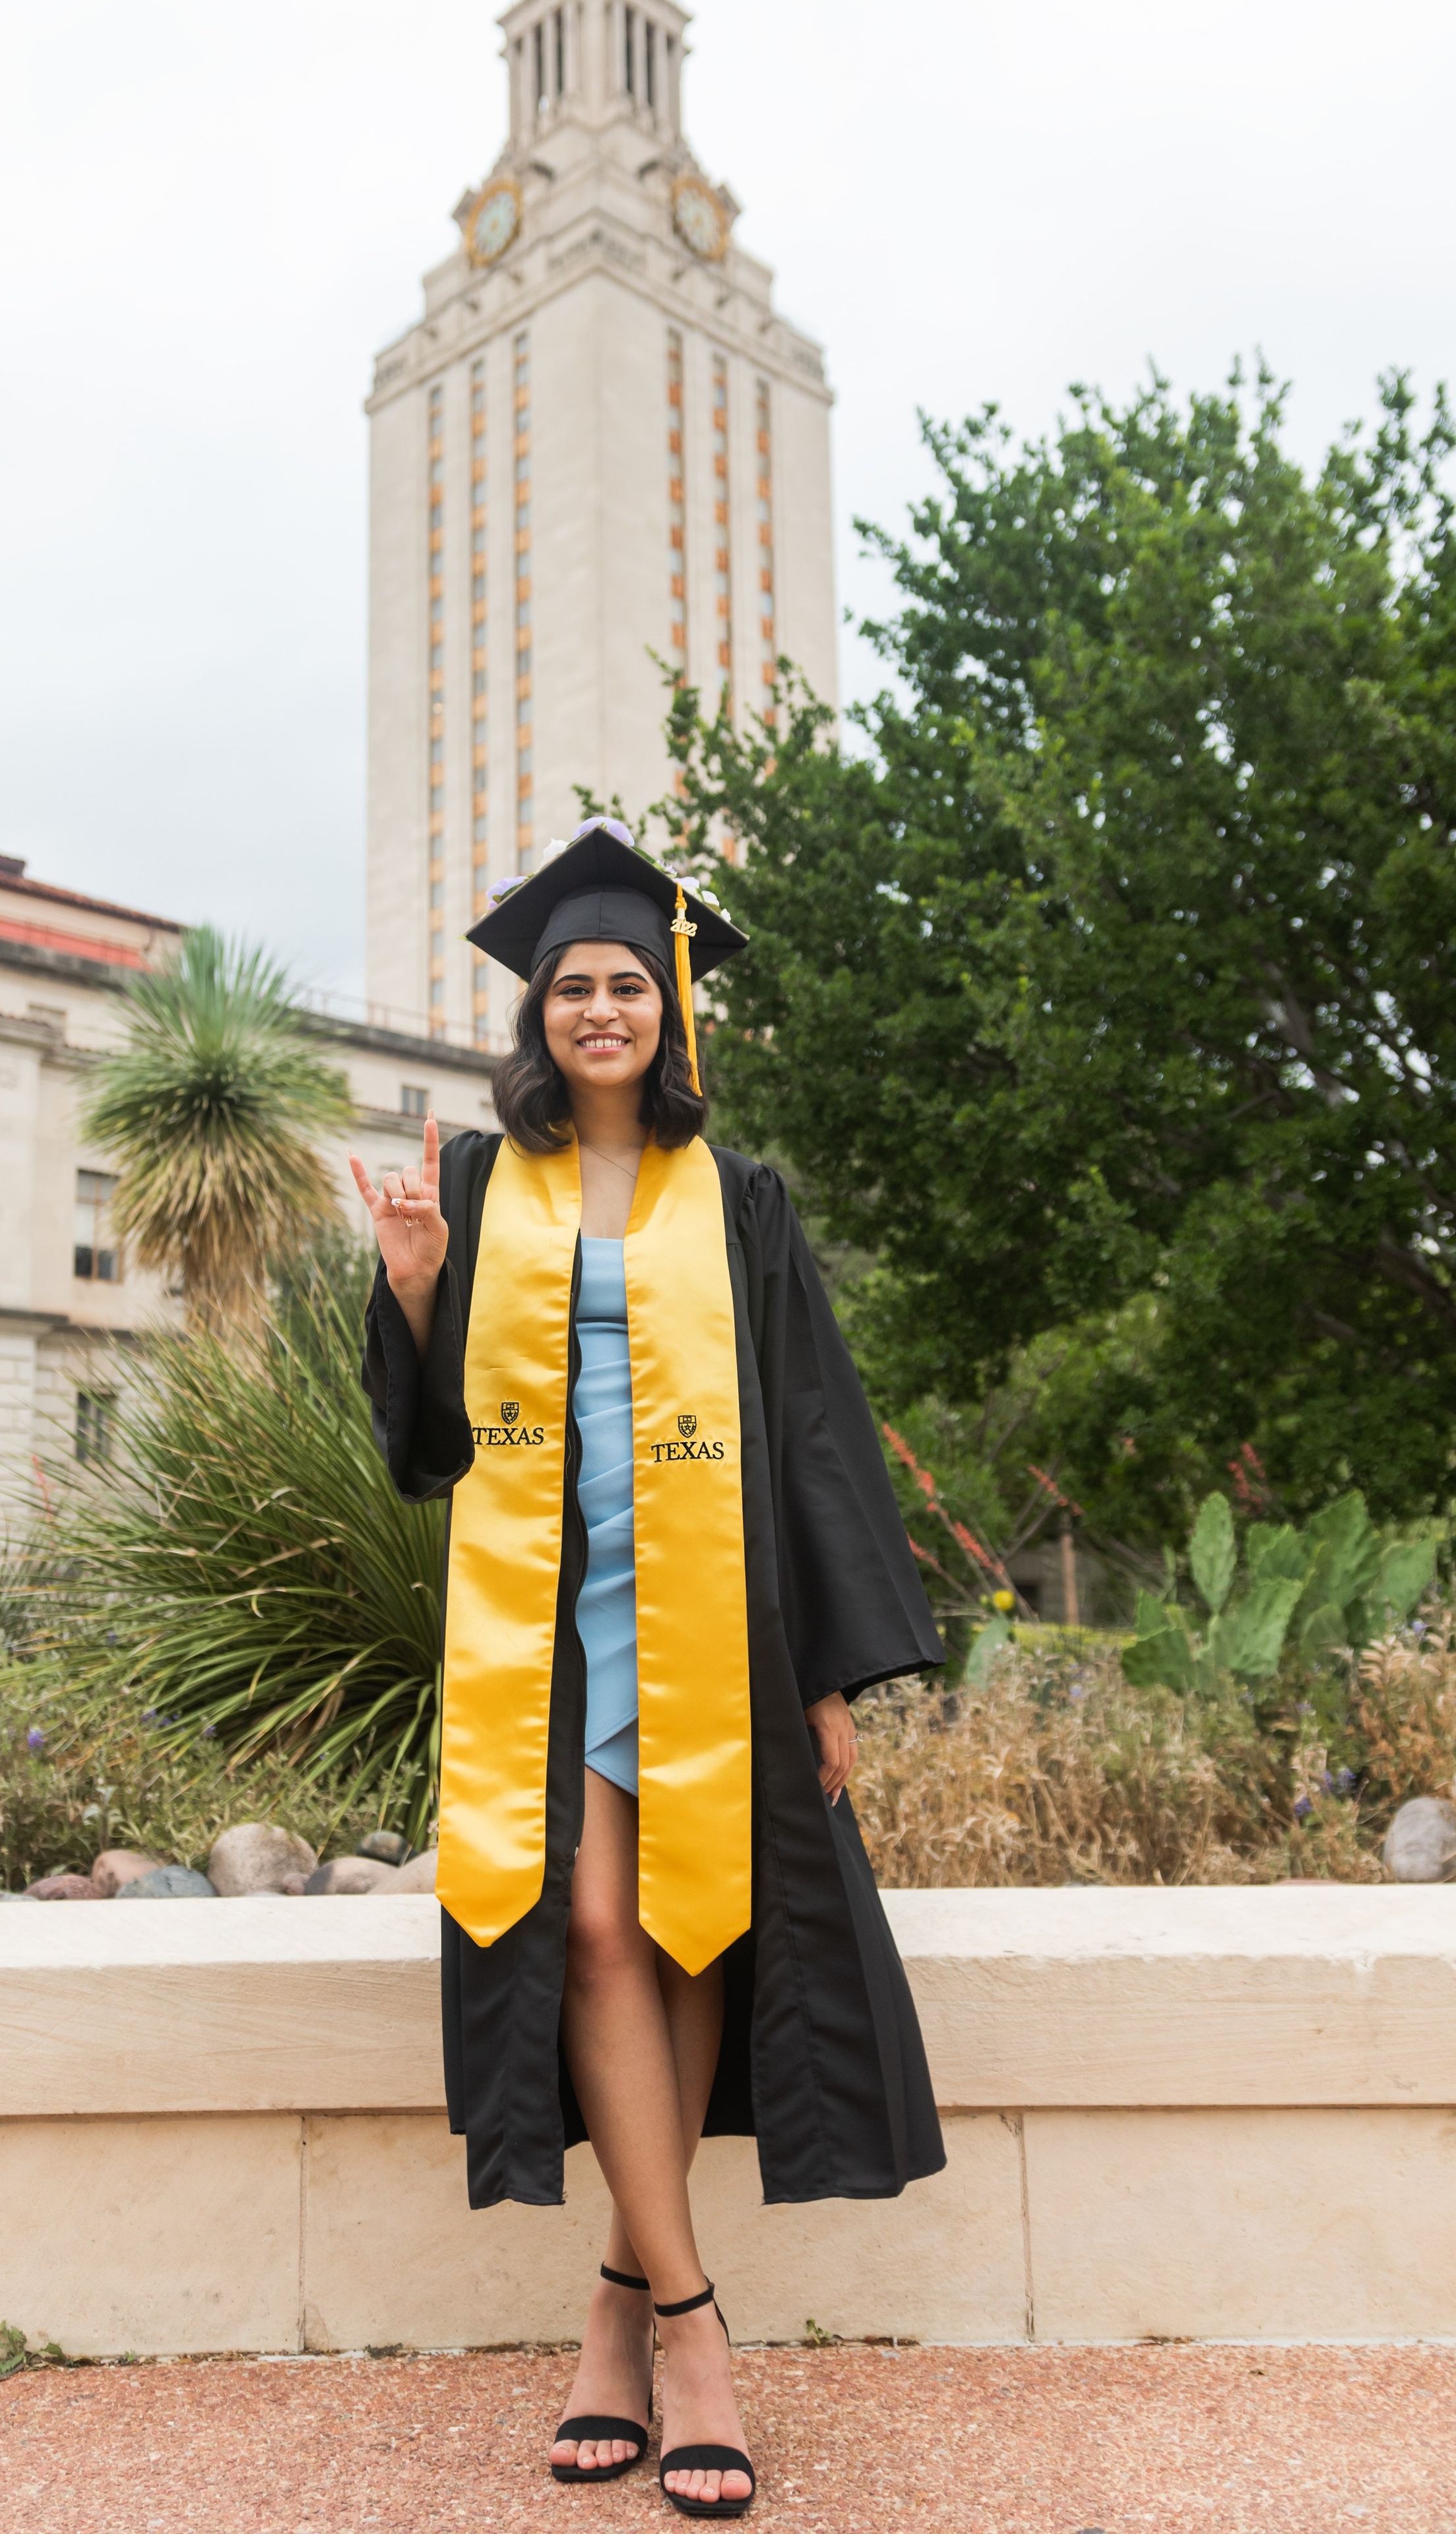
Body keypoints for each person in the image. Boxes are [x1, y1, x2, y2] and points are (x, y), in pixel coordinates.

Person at [352, 818, 944, 2520]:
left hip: (714, 1619)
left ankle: (618, 2325)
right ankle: (695, 2325)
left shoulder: (741, 1200)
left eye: (626, 984)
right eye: (570, 987)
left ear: (667, 1013)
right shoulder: (473, 1184)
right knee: (599, 1923)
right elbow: (427, 1443)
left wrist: (826, 1674)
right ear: (533, 1015)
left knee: (698, 1934)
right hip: (546, 1617)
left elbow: (815, 1435)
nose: (597, 1009)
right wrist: (409, 1287)